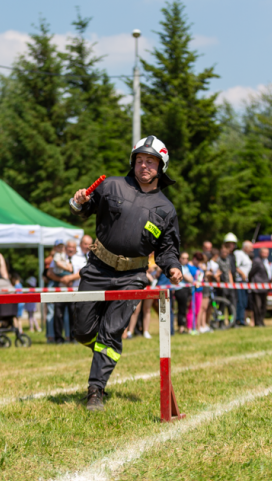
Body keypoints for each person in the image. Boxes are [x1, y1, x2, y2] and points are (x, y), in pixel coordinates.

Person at [69, 135, 182, 411]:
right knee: (82, 331)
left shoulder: (166, 209)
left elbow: (167, 249)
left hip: (133, 276)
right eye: (140, 160)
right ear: (133, 162)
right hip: (96, 268)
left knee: (110, 333)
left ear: (161, 166)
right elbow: (82, 209)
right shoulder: (111, 186)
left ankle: (96, 391)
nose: (144, 166)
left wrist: (173, 267)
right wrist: (79, 201)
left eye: (151, 161)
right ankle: (105, 349)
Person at [248, 247, 272, 327]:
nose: (266, 255)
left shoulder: (266, 261)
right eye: (264, 253)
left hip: (265, 287)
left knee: (264, 306)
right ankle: (257, 322)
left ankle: (261, 321)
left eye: (267, 253)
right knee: (257, 306)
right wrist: (253, 283)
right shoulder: (257, 261)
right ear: (260, 253)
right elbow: (251, 273)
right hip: (257, 287)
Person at [234, 241, 253, 327]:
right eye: (250, 248)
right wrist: (242, 274)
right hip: (239, 281)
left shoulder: (246, 256)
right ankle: (239, 320)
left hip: (245, 282)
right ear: (245, 247)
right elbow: (236, 266)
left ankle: (242, 319)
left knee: (244, 301)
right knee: (240, 301)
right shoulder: (239, 254)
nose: (252, 250)